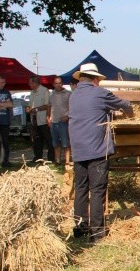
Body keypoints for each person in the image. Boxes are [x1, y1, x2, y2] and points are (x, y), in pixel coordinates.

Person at [69, 63, 133, 242]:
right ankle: (97, 233)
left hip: (78, 150)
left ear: (81, 78)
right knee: (97, 190)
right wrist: (131, 113)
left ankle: (80, 229)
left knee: (81, 189)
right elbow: (124, 104)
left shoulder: (73, 96)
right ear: (95, 79)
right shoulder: (99, 93)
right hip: (96, 149)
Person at [27, 76, 53, 163]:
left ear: (35, 83)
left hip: (43, 119)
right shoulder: (31, 93)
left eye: (30, 83)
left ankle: (51, 158)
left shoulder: (45, 91)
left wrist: (37, 109)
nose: (29, 85)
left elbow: (47, 105)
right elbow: (30, 105)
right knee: (37, 140)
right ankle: (38, 157)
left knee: (48, 139)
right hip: (34, 120)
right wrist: (28, 108)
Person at [49, 76, 72, 167]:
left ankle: (67, 161)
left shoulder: (68, 94)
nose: (58, 85)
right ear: (53, 84)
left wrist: (68, 116)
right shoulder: (52, 94)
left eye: (59, 83)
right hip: (53, 121)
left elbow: (73, 107)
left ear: (62, 84)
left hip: (64, 122)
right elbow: (49, 106)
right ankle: (57, 161)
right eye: (56, 83)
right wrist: (48, 118)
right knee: (55, 143)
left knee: (66, 143)